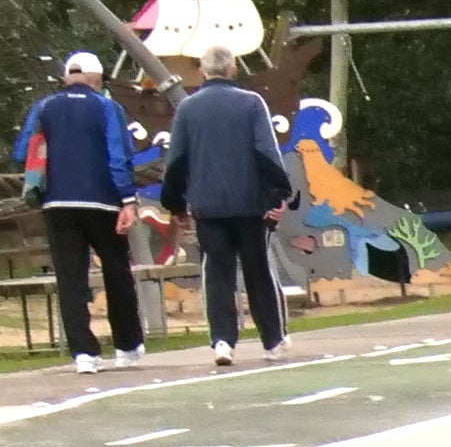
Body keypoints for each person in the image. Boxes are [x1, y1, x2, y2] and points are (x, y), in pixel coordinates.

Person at [159, 62, 296, 363]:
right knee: (258, 271)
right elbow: (267, 152)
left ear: (204, 72)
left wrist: (176, 204)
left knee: (217, 272)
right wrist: (277, 195)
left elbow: (177, 160)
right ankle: (272, 340)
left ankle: (223, 340)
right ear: (232, 69)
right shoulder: (252, 103)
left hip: (208, 206)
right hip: (249, 205)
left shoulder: (188, 108)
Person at [21, 51, 147, 371]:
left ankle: (83, 353)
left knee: (70, 278)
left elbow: (23, 149)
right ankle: (126, 345)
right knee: (116, 270)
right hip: (102, 202)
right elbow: (119, 156)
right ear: (95, 78)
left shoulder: (44, 107)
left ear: (67, 77)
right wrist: (128, 199)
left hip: (58, 203)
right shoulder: (107, 107)